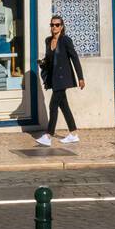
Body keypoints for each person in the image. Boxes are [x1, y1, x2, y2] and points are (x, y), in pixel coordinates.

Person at [36, 14, 83, 147]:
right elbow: (49, 58)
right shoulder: (48, 40)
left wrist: (80, 77)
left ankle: (48, 135)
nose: (54, 27)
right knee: (64, 106)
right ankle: (73, 134)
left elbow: (74, 58)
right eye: (52, 25)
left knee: (53, 105)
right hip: (54, 78)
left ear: (61, 27)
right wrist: (43, 63)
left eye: (57, 25)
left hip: (63, 78)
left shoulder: (66, 40)